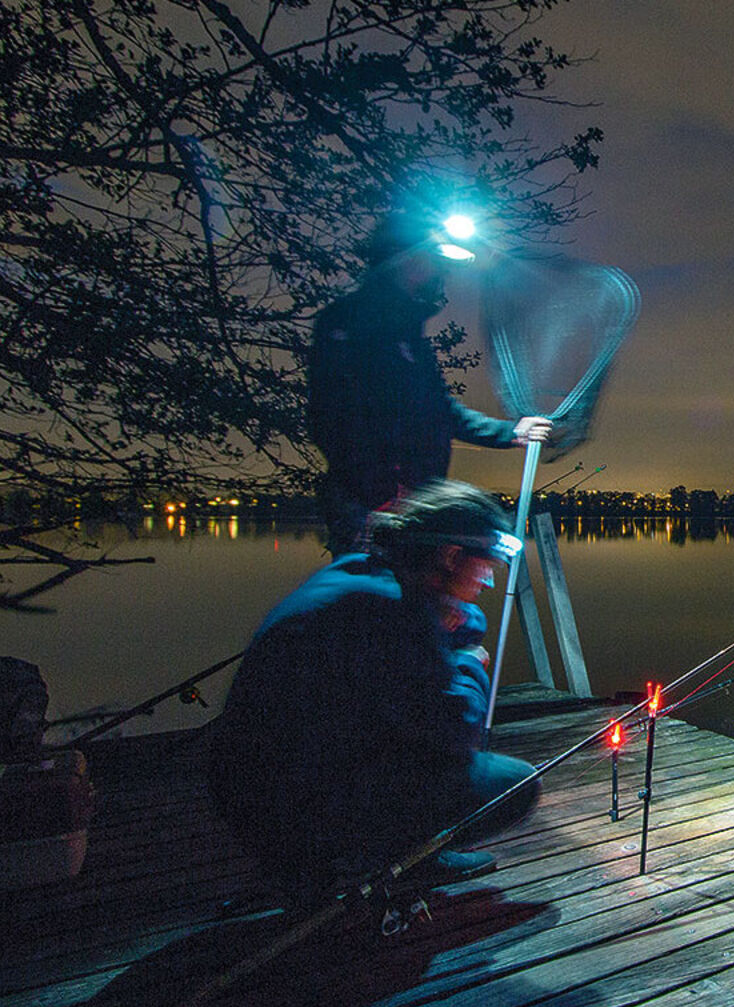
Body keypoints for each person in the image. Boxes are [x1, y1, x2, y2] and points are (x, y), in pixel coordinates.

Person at [206, 479, 541, 906]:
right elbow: (458, 728)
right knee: (514, 783)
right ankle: (365, 857)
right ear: (451, 556)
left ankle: (376, 851)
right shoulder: (389, 611)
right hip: (291, 808)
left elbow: (455, 629)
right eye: (487, 564)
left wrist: (454, 627)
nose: (491, 580)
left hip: (254, 787)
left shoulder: (365, 576)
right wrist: (470, 664)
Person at [307, 205, 551, 554]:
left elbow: (439, 409)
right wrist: (381, 489)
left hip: (418, 501)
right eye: (428, 258)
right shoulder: (348, 322)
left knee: (423, 598)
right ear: (400, 258)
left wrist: (511, 433)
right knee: (376, 598)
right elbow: (329, 416)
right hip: (373, 508)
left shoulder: (408, 331)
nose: (436, 270)